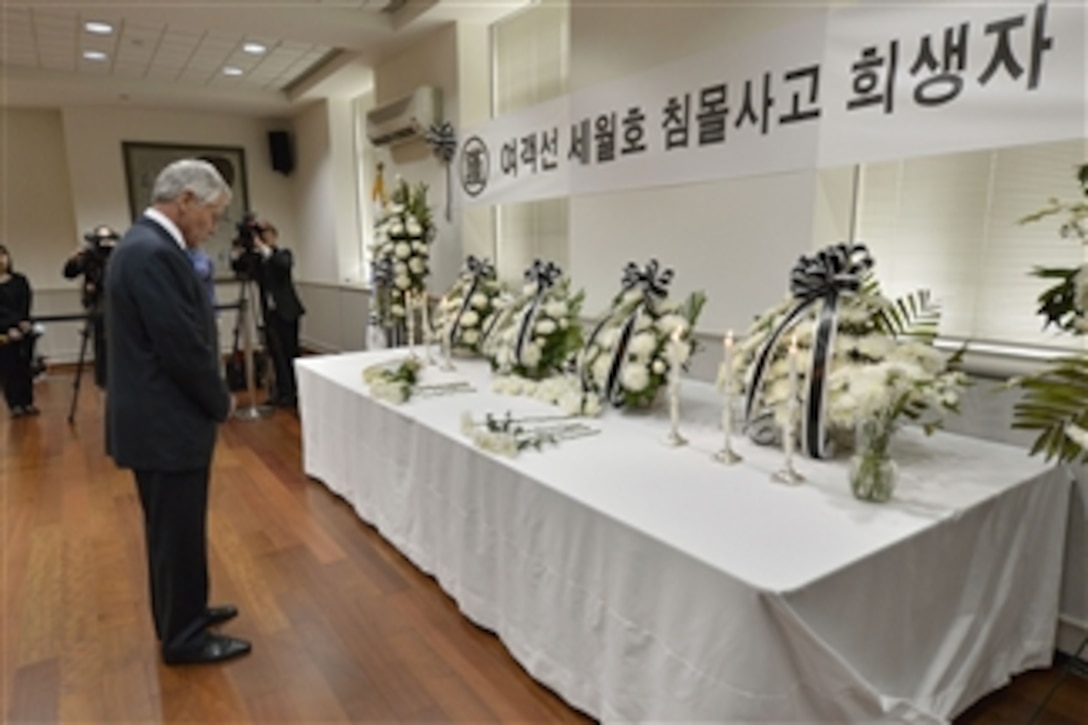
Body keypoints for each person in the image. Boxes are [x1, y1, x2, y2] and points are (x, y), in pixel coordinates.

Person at [104, 158, 250, 666]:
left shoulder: (145, 246)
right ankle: (184, 638)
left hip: (159, 420)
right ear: (184, 200)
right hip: (165, 423)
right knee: (175, 533)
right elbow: (181, 347)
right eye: (212, 214)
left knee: (177, 530)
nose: (212, 228)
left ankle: (184, 611)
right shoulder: (153, 253)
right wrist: (221, 399)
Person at [231, 220, 305, 407]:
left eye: (267, 235)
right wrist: (239, 248)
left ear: (274, 236)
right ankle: (282, 392)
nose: (264, 239)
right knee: (275, 354)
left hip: (287, 312)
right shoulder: (259, 260)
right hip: (269, 314)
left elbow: (282, 265)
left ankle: (297, 392)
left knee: (290, 353)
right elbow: (240, 267)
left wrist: (264, 247)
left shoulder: (282, 254)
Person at [63, 225, 117, 388]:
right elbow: (69, 273)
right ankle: (104, 382)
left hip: (117, 306)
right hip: (97, 308)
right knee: (101, 346)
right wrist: (73, 259)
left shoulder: (118, 256)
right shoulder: (89, 257)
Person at [0, 244, 38, 417]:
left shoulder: (20, 280)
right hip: (3, 333)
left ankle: (27, 402)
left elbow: (25, 302)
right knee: (9, 369)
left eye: (3, 256)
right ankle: (14, 403)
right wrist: (9, 327)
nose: (1, 260)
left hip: (23, 328)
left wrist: (23, 322)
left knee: (25, 367)